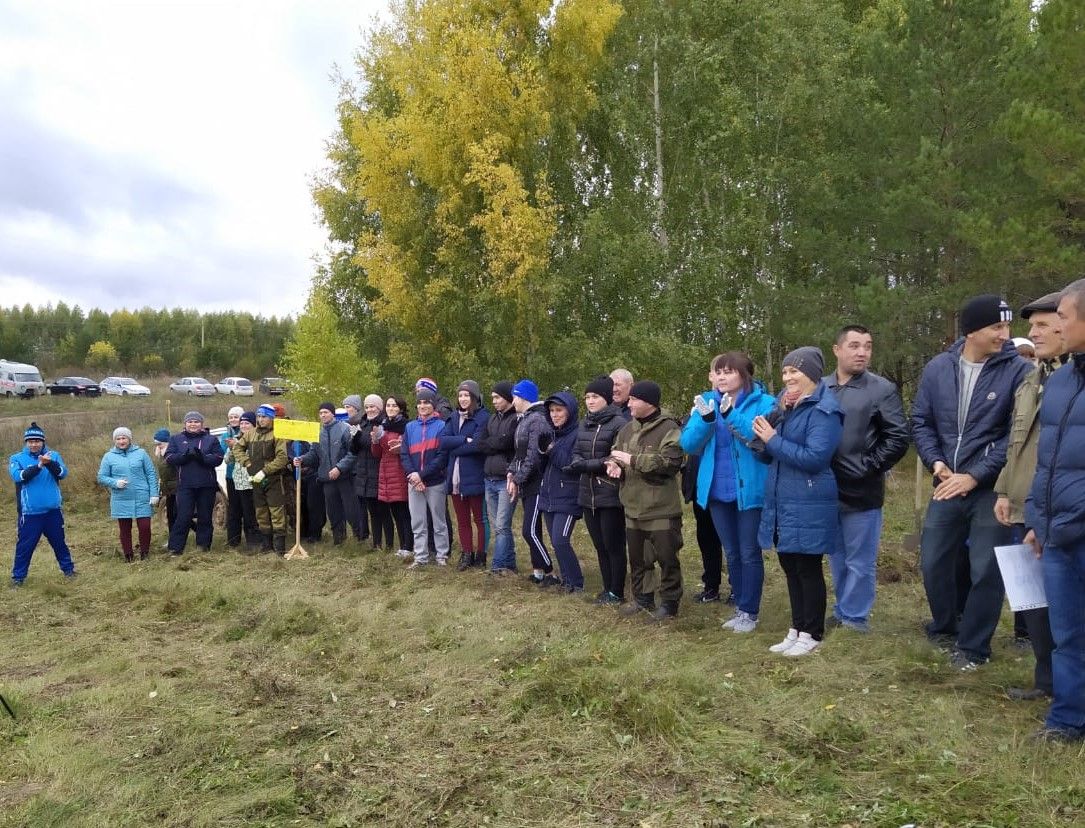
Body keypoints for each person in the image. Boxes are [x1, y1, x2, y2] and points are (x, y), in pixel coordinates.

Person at [912, 294, 1033, 670]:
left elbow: (1018, 433)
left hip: (991, 490)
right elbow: (921, 421)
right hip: (946, 483)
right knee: (933, 561)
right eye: (996, 326)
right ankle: (945, 627)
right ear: (971, 331)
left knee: (986, 568)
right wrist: (936, 462)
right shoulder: (937, 369)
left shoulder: (1018, 372)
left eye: (1007, 326)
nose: (1005, 334)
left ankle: (974, 647)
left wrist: (975, 475)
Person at [993, 292, 1065, 703]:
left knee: (1062, 604)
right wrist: (1004, 489)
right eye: (1031, 326)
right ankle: (1046, 680)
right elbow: (1016, 443)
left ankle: (1068, 685)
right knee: (1032, 603)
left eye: (1041, 325)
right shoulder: (1032, 377)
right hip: (1020, 505)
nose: (1031, 333)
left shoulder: (1074, 378)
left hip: (1055, 509)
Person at [1024, 278, 1085, 743]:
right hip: (1058, 534)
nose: (1056, 325)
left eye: (1063, 316)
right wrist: (1038, 520)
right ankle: (1068, 719)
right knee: (1067, 633)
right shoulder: (1061, 379)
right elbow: (1048, 458)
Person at [755, 347, 844, 656]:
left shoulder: (825, 411)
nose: (788, 377)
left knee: (807, 567)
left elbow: (815, 458)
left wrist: (773, 440)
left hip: (809, 499)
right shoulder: (786, 407)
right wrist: (766, 436)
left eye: (795, 371)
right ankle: (796, 628)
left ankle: (812, 633)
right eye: (785, 372)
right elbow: (768, 454)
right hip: (783, 498)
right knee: (789, 564)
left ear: (813, 374)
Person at [681, 352, 776, 633]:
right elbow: (687, 443)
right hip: (716, 491)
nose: (722, 377)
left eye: (728, 371)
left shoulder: (764, 402)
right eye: (717, 372)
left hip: (750, 490)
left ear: (744, 374)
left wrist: (730, 415)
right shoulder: (706, 402)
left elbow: (759, 438)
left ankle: (750, 612)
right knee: (732, 553)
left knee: (749, 552)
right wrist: (707, 420)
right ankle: (740, 606)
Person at [824, 326, 910, 633]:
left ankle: (855, 617)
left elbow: (898, 437)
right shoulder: (822, 387)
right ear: (837, 350)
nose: (862, 352)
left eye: (868, 346)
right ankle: (842, 609)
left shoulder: (880, 389)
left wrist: (869, 466)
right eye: (855, 346)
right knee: (837, 555)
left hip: (863, 489)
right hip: (827, 489)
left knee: (860, 559)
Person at [607, 380, 685, 621]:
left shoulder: (670, 428)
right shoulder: (626, 429)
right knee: (639, 559)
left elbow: (670, 463)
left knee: (667, 558)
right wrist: (614, 465)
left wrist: (631, 460)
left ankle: (670, 604)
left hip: (661, 508)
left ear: (648, 402)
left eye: (633, 399)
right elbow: (616, 452)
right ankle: (643, 599)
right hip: (632, 506)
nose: (628, 403)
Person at [566, 376, 627, 604]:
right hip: (587, 492)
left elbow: (615, 459)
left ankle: (617, 591)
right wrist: (592, 464)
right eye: (588, 397)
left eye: (595, 397)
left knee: (614, 544)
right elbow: (575, 455)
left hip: (610, 492)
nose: (590, 401)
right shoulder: (585, 423)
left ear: (607, 399)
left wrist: (587, 465)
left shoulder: (619, 424)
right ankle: (607, 587)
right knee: (599, 545)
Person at [9, 422, 76, 585]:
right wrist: (39, 466)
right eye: (30, 441)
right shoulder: (16, 458)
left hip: (53, 511)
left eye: (37, 441)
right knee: (25, 547)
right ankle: (18, 577)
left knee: (59, 543)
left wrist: (49, 463)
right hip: (30, 513)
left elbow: (62, 473)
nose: (34, 444)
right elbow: (19, 476)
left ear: (43, 441)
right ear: (26, 442)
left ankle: (68, 570)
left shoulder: (54, 455)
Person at [507, 379, 556, 585]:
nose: (512, 401)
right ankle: (539, 573)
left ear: (522, 397)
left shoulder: (537, 419)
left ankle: (550, 570)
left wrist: (518, 479)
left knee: (528, 531)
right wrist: (511, 472)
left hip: (537, 483)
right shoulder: (524, 419)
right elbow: (519, 453)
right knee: (533, 529)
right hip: (526, 482)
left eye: (514, 396)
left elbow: (534, 456)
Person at [295, 402, 361, 546]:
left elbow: (353, 452)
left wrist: (339, 468)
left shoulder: (345, 429)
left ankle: (360, 538)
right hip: (327, 479)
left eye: (326, 412)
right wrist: (302, 459)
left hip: (345, 477)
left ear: (332, 413)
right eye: (321, 413)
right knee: (333, 511)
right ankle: (339, 539)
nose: (323, 415)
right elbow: (314, 454)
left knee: (352, 510)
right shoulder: (319, 433)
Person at [440, 380, 490, 570]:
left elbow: (477, 445)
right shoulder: (453, 417)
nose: (463, 399)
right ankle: (466, 554)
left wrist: (456, 448)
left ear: (474, 397)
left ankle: (481, 555)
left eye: (466, 395)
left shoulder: (483, 417)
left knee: (480, 518)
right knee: (462, 520)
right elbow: (442, 441)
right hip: (454, 477)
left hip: (474, 474)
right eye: (460, 395)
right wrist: (462, 439)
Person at [538, 390, 584, 592]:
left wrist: (551, 449)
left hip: (568, 496)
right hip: (549, 494)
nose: (555, 415)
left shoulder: (578, 434)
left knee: (560, 539)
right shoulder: (552, 433)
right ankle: (567, 581)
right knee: (556, 542)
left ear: (570, 411)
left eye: (559, 410)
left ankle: (576, 582)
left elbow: (570, 464)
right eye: (552, 411)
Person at [401, 387, 450, 568]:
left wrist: (421, 475)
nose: (422, 406)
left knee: (439, 521)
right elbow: (404, 454)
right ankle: (420, 556)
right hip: (413, 482)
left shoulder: (442, 426)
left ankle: (441, 555)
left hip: (435, 481)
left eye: (426, 402)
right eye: (420, 402)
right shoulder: (409, 427)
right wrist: (413, 476)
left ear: (433, 405)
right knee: (418, 521)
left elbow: (442, 457)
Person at [165, 411, 225, 555]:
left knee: (205, 516)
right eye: (190, 422)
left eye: (196, 422)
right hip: (185, 485)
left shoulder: (211, 439)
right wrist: (184, 456)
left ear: (201, 424)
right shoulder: (176, 439)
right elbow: (169, 457)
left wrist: (202, 457)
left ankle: (203, 546)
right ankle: (175, 548)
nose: (193, 424)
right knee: (183, 516)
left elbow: (218, 458)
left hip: (206, 484)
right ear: (185, 424)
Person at [97, 426, 160, 562]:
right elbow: (101, 477)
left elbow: (151, 474)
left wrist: (154, 494)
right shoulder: (108, 457)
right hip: (121, 498)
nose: (121, 441)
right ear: (115, 441)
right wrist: (115, 483)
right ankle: (128, 555)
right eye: (118, 439)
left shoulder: (141, 453)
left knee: (144, 527)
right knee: (124, 528)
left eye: (124, 438)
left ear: (129, 439)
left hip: (142, 496)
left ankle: (144, 553)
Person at [234, 404, 290, 554]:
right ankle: (267, 546)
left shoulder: (278, 434)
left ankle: (280, 548)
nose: (260, 419)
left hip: (274, 479)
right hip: (255, 480)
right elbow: (237, 448)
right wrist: (246, 462)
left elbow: (282, 458)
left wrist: (266, 471)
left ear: (271, 418)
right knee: (261, 513)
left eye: (264, 416)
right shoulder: (250, 434)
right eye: (258, 416)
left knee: (276, 512)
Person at [476, 381, 519, 574]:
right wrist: (496, 443)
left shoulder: (516, 419)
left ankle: (498, 564)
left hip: (505, 479)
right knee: (498, 525)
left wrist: (494, 443)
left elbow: (508, 442)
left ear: (508, 398)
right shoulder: (492, 419)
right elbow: (481, 443)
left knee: (502, 524)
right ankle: (509, 562)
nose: (494, 401)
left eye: (497, 397)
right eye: (492, 397)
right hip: (489, 478)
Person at [372, 396, 413, 557]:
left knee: (404, 511)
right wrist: (375, 441)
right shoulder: (383, 426)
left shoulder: (405, 426)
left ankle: (409, 546)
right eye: (388, 405)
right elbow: (377, 454)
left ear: (401, 408)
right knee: (395, 511)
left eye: (394, 406)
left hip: (399, 470)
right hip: (385, 471)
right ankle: (403, 545)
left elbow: (407, 449)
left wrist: (401, 448)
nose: (390, 408)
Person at [347, 393, 386, 548]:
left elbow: (375, 448)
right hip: (364, 473)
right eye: (367, 407)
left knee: (382, 511)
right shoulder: (362, 424)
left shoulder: (382, 424)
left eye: (373, 407)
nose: (370, 410)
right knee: (371, 511)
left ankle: (386, 543)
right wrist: (355, 438)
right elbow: (354, 450)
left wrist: (364, 438)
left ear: (379, 408)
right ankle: (376, 543)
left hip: (378, 471)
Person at [220, 406, 259, 549]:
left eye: (246, 423)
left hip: (253, 480)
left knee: (250, 512)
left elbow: (255, 457)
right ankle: (233, 541)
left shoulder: (257, 439)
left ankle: (253, 542)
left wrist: (239, 446)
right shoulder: (234, 438)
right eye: (241, 423)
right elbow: (227, 460)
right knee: (235, 510)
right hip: (237, 481)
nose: (243, 425)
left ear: (254, 425)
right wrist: (232, 448)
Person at [152, 427, 178, 543]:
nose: (157, 446)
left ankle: (177, 538)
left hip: (177, 489)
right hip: (167, 490)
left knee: (178, 514)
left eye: (159, 443)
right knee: (171, 516)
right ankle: (172, 539)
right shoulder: (160, 454)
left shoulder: (171, 453)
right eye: (156, 443)